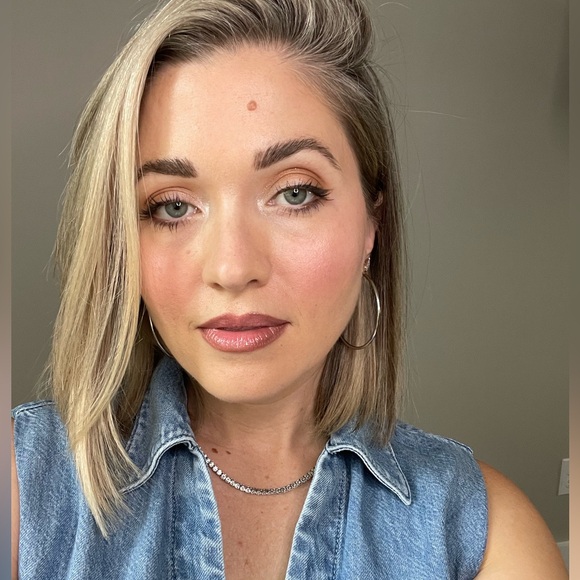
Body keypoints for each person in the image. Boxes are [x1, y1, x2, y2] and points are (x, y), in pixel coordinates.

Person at [11, 0, 567, 578]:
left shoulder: (484, 538)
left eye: (295, 193)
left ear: (372, 224)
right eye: (172, 206)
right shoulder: (25, 485)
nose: (232, 268)